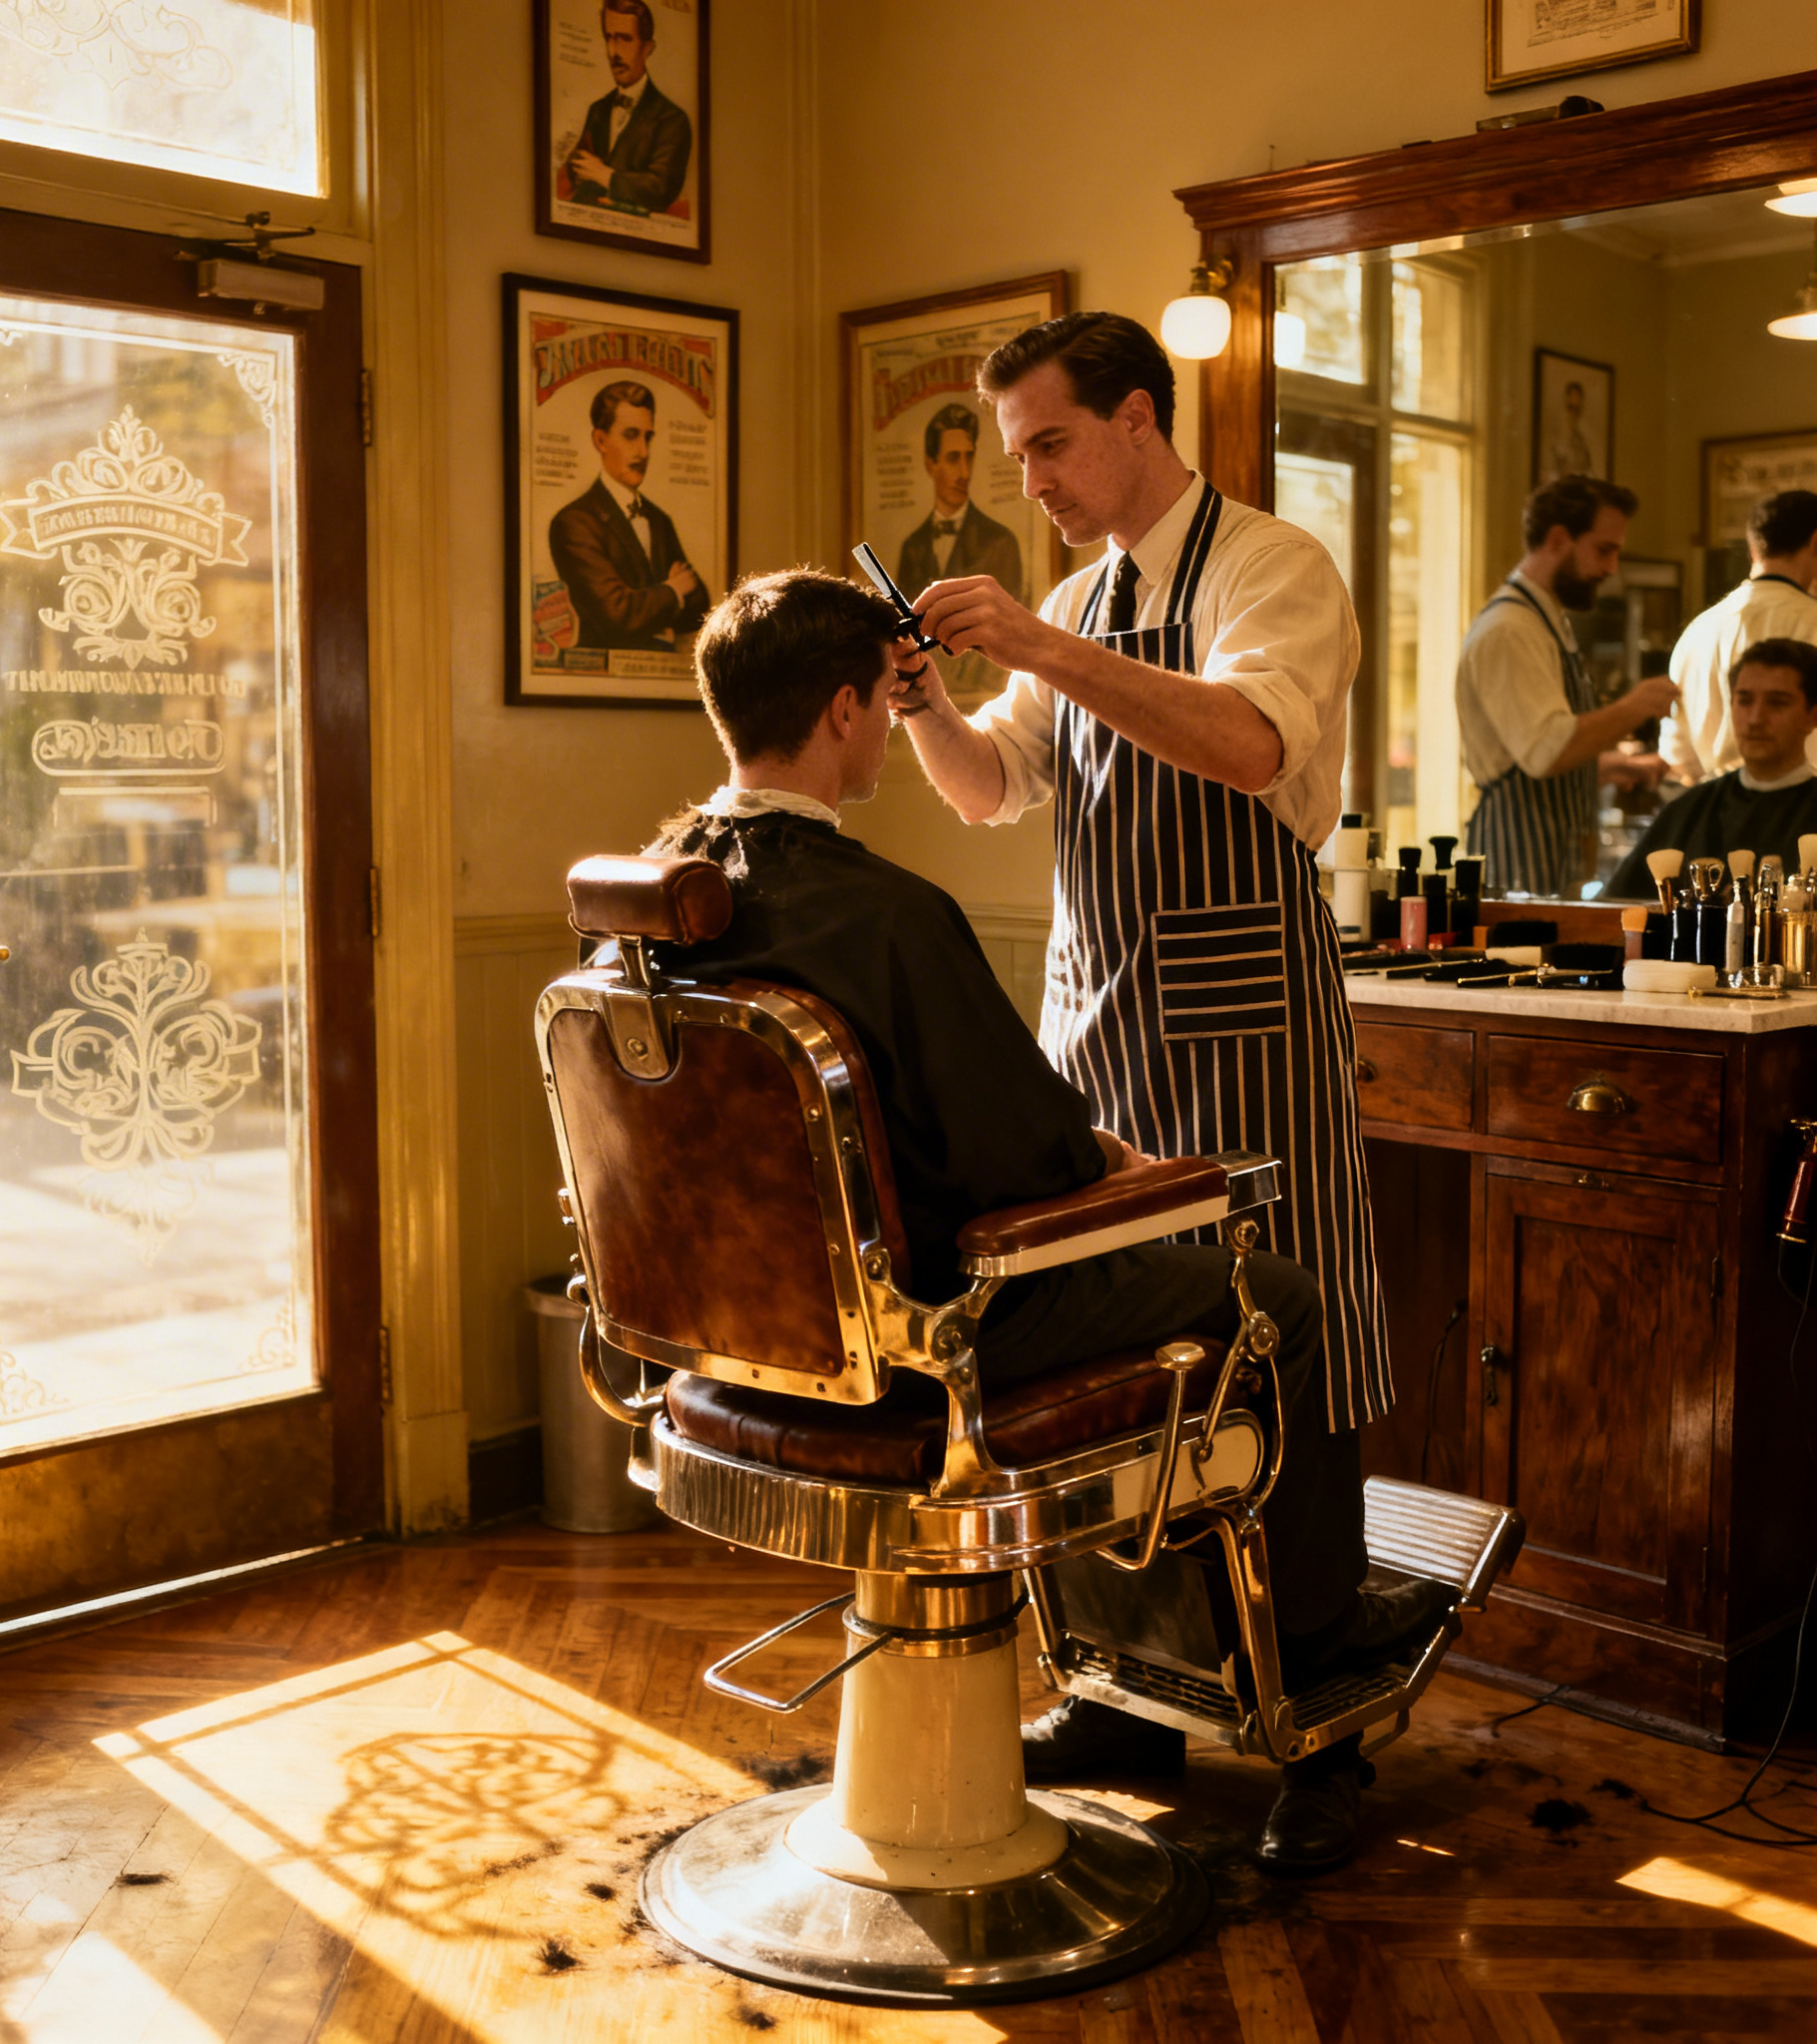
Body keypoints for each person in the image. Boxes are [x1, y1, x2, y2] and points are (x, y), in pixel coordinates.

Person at [648, 567, 1450, 1871]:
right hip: (936, 1345)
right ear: (853, 710)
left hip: (749, 1347)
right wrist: (1128, 1168)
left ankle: (1124, 1677)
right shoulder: (889, 917)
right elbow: (1024, 1162)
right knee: (1276, 1304)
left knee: (1151, 1270)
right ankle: (1314, 1667)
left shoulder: (661, 905)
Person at [881, 315, 1392, 1754]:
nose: (1029, 479)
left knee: (1281, 1352)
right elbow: (991, 787)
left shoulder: (1270, 568)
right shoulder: (1090, 600)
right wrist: (930, 706)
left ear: (1138, 421)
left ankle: (1321, 1718)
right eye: (1015, 452)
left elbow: (1246, 742)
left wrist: (1040, 638)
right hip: (1100, 1034)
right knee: (1126, 1379)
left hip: (1246, 1038)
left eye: (1048, 442)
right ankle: (1130, 1688)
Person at [1456, 475, 1677, 896]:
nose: (1611, 568)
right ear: (1558, 539)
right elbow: (1547, 751)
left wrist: (1616, 767)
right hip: (1517, 864)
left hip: (1552, 860)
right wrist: (1636, 705)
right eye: (1604, 550)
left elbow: (1529, 756)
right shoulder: (1510, 630)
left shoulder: (1546, 622)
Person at [1606, 641, 1817, 898]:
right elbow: (1615, 910)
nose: (1755, 718)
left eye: (1777, 703)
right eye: (1744, 700)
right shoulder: (1688, 812)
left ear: (1812, 716)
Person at [1661, 490, 1817, 783]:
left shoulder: (1697, 631)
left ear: (1753, 548)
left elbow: (1678, 755)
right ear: (1815, 542)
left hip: (1719, 813)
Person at [548, 379, 708, 653]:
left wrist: (651, 603)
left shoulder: (659, 519)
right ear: (601, 440)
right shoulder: (574, 522)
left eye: (648, 437)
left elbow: (699, 605)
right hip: (599, 683)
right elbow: (617, 616)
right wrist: (672, 590)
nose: (643, 452)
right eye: (631, 435)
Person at [564, 0, 692, 217]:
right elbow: (576, 170)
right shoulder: (598, 109)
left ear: (648, 48)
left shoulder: (673, 120)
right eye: (609, 38)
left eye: (625, 39)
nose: (614, 52)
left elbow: (659, 190)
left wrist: (605, 175)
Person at [895, 404, 1025, 603]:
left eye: (969, 456)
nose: (965, 473)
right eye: (953, 458)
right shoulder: (912, 547)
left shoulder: (1001, 543)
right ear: (931, 464)